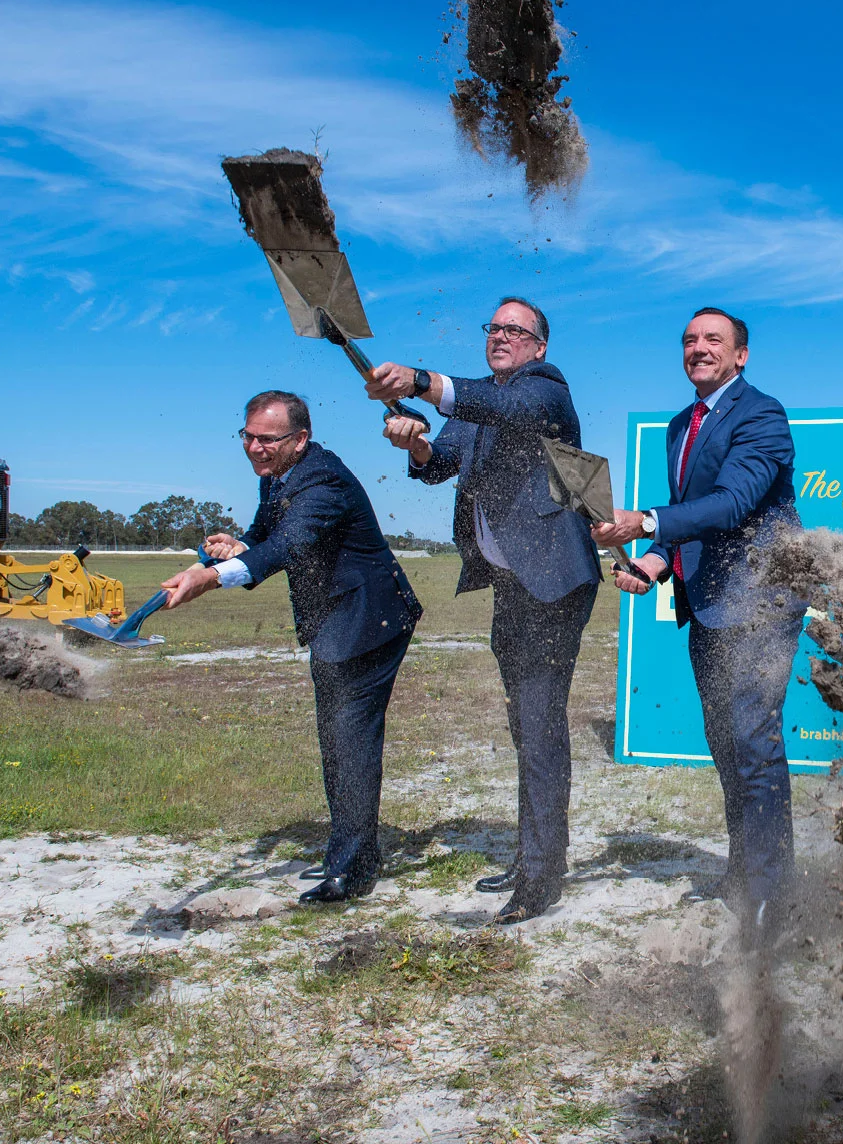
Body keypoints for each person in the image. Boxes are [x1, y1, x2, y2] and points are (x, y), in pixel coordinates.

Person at [365, 296, 601, 924]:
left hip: (554, 584)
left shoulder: (544, 390)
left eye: (514, 330)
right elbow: (439, 464)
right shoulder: (478, 406)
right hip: (512, 586)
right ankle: (532, 856)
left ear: (539, 346)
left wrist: (421, 381)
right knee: (526, 725)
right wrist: (413, 442)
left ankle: (542, 875)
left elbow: (501, 405)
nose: (500, 336)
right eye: (492, 327)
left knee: (540, 720)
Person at [591, 307, 803, 937]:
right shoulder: (679, 424)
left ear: (741, 356)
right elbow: (694, 516)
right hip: (708, 602)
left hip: (761, 602)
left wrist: (646, 521)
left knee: (754, 743)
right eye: (689, 340)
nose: (699, 348)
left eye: (714, 340)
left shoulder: (762, 415)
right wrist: (654, 562)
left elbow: (735, 502)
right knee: (726, 744)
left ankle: (774, 897)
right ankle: (745, 873)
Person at [162, 391, 423, 904]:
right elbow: (263, 534)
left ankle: (355, 867)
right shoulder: (279, 475)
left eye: (267, 439)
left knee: (350, 741)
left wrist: (213, 579)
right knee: (336, 738)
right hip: (334, 622)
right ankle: (344, 849)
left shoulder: (322, 480)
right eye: (248, 437)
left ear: (299, 439)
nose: (256, 449)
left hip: (369, 620)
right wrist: (212, 557)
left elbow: (288, 545)